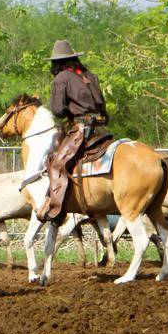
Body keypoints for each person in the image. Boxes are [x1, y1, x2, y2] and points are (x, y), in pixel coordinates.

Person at [40, 40, 109, 221]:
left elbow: (57, 110)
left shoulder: (61, 78)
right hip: (101, 129)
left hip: (81, 129)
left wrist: (65, 114)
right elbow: (102, 104)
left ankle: (55, 209)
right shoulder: (89, 75)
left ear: (57, 63)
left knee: (57, 164)